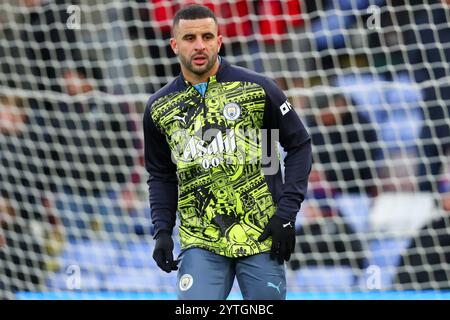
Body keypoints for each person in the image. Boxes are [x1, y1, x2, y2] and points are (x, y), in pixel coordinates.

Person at [143, 4, 312, 300]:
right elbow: (160, 175)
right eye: (190, 38)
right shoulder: (158, 108)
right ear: (174, 45)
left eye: (208, 37)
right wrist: (162, 232)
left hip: (261, 235)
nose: (200, 46)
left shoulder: (259, 89)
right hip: (200, 239)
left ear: (219, 41)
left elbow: (299, 145)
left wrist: (286, 214)